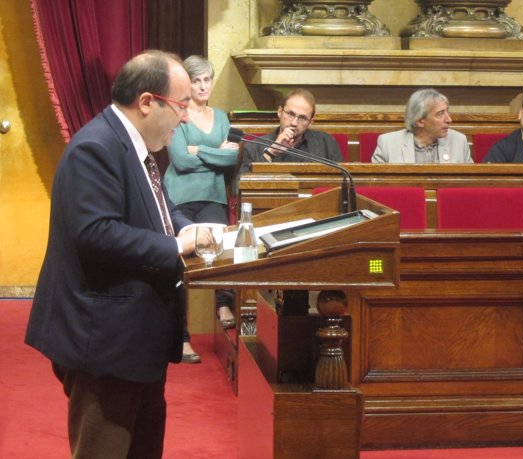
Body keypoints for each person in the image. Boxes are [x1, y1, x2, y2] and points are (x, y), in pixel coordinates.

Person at [25, 50, 197, 458]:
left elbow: (156, 208)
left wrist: (189, 227)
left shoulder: (132, 144)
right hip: (105, 341)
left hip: (137, 341)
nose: (187, 117)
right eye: (182, 105)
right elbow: (95, 232)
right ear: (147, 103)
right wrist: (176, 245)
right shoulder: (96, 147)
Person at [164, 55, 239, 363]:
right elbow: (180, 160)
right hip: (180, 197)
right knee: (180, 267)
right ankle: (181, 338)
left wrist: (199, 150)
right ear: (188, 84)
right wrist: (214, 152)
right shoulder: (178, 114)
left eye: (207, 79)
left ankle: (224, 305)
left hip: (213, 197)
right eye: (196, 80)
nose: (203, 85)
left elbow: (232, 158)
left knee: (222, 253)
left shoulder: (222, 117)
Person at [239, 88, 343, 173]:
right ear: (280, 112)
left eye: (302, 118)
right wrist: (270, 152)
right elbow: (241, 188)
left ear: (310, 122)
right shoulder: (254, 147)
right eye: (290, 114)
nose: (294, 123)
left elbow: (342, 182)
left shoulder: (326, 143)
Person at [371, 88, 472, 164]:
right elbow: (377, 188)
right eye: (440, 114)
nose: (449, 119)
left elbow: (472, 185)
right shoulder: (388, 144)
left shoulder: (459, 141)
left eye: (447, 111)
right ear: (420, 121)